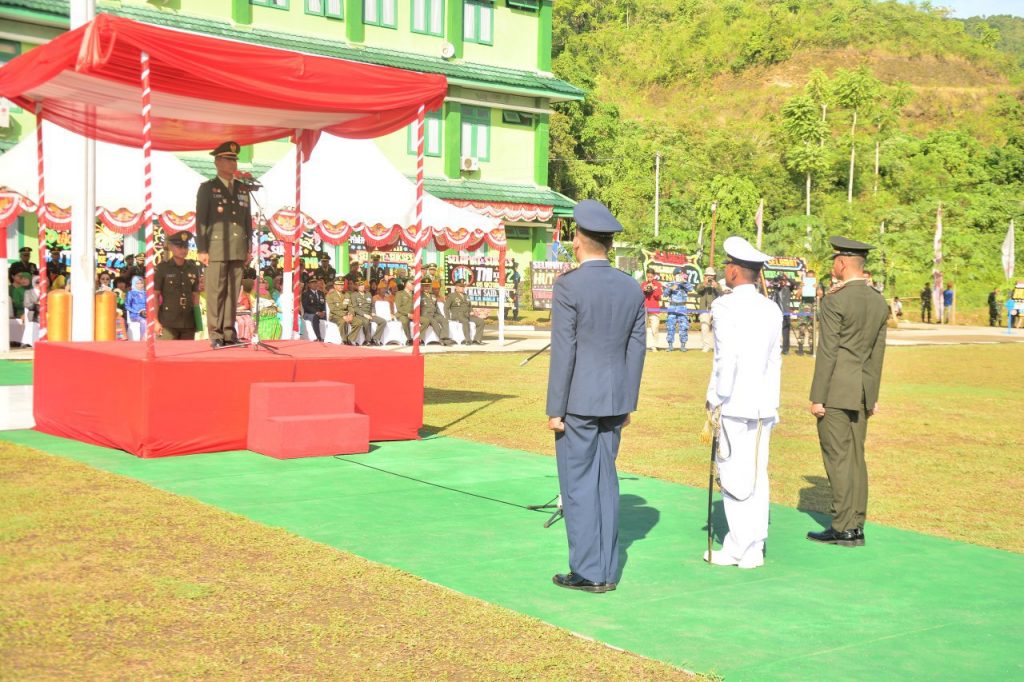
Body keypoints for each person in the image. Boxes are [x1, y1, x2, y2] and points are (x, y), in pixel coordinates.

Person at [546, 199, 646, 593]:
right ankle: (605, 569)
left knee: (578, 484)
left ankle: (588, 571)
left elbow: (564, 350)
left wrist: (555, 408)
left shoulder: (569, 285)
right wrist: (628, 401)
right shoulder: (630, 286)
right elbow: (636, 348)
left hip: (578, 402)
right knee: (606, 482)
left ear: (578, 241)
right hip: (614, 400)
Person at [704, 236, 781, 569]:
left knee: (733, 475)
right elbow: (775, 361)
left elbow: (726, 359)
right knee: (757, 476)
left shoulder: (725, 306)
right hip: (763, 405)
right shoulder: (770, 308)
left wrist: (715, 399)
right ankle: (754, 548)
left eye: (727, 266)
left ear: (734, 271)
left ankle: (738, 546)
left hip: (734, 403)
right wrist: (772, 402)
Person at [808, 237, 889, 547]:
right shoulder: (878, 301)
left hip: (837, 390)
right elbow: (877, 353)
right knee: (856, 457)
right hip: (862, 390)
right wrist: (872, 395)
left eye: (834, 260)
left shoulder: (835, 300)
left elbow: (828, 351)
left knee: (838, 457)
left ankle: (842, 526)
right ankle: (856, 525)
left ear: (841, 263)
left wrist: (818, 396)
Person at [195, 140, 253, 348]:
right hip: (216, 248)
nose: (233, 163)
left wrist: (248, 247)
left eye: (234, 160)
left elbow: (247, 220)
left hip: (238, 246)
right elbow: (201, 220)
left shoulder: (242, 189)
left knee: (232, 292)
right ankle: (216, 334)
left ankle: (229, 332)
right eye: (228, 159)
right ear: (217, 162)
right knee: (216, 291)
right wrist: (202, 248)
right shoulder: (208, 188)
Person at [153, 231, 201, 340]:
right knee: (166, 350)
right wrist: (155, 321)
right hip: (168, 321)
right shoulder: (162, 268)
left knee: (187, 350)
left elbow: (195, 295)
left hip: (188, 321)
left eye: (185, 247)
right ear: (170, 247)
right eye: (179, 247)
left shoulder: (193, 268)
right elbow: (155, 296)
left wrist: (198, 321)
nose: (183, 250)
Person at [342, 278, 385, 346]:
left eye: (362, 285)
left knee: (383, 321)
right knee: (366, 321)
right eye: (360, 286)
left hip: (369, 314)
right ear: (357, 287)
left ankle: (376, 338)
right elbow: (355, 308)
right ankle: (368, 340)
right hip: (360, 315)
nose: (361, 287)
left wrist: (373, 312)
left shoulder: (368, 294)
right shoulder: (354, 295)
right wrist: (364, 315)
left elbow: (372, 305)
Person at [446, 280, 486, 345]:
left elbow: (469, 306)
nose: (462, 288)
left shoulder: (466, 296)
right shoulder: (452, 296)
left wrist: (472, 311)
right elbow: (446, 307)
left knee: (481, 321)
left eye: (463, 287)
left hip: (467, 315)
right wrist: (448, 318)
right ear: (456, 287)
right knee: (465, 321)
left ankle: (477, 339)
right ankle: (468, 340)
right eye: (461, 286)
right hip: (457, 315)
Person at [663, 267, 692, 352]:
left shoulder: (685, 284)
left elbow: (690, 289)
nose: (679, 276)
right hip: (672, 308)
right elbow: (665, 294)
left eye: (680, 274)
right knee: (670, 327)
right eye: (677, 274)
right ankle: (670, 345)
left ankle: (683, 345)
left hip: (682, 308)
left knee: (683, 327)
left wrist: (684, 282)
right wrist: (671, 288)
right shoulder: (670, 284)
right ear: (674, 275)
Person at [419, 276, 455, 346]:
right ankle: (444, 341)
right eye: (425, 286)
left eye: (428, 286)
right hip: (426, 314)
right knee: (434, 322)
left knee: (444, 320)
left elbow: (436, 307)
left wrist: (441, 315)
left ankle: (444, 337)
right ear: (422, 286)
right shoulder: (420, 295)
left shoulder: (432, 295)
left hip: (435, 314)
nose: (426, 287)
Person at [696, 268, 721, 352]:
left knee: (717, 328)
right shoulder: (701, 284)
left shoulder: (717, 284)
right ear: (705, 276)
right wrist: (705, 284)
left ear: (714, 276)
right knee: (704, 328)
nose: (710, 277)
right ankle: (706, 346)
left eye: (712, 275)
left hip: (716, 309)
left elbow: (721, 292)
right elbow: (698, 290)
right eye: (708, 275)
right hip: (704, 309)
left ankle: (717, 346)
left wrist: (716, 286)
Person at [795, 269, 818, 355]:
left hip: (813, 309)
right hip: (803, 309)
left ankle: (812, 349)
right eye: (808, 277)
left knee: (812, 329)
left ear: (814, 277)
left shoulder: (817, 285)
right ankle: (800, 349)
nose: (810, 279)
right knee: (801, 328)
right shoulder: (802, 284)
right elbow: (797, 296)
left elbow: (820, 295)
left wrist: (816, 288)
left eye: (811, 277)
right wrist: (801, 287)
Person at [641, 268, 663, 351]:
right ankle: (642, 346)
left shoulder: (658, 284)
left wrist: (653, 289)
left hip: (654, 310)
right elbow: (640, 296)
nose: (649, 278)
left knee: (655, 329)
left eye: (651, 277)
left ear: (654, 276)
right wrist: (644, 290)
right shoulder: (643, 284)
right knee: (642, 329)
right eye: (648, 277)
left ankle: (655, 346)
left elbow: (658, 296)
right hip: (644, 309)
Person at [301, 277, 327, 342]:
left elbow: (323, 304)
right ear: (309, 285)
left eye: (315, 282)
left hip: (320, 313)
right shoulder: (306, 294)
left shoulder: (321, 293)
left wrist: (323, 311)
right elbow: (306, 306)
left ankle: (327, 337)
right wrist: (316, 312)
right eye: (312, 283)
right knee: (315, 317)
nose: (315, 284)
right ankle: (318, 337)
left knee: (326, 316)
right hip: (309, 313)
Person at [773, 274, 793, 355]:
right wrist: (778, 280)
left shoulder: (788, 289)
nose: (782, 282)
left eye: (783, 280)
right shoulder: (776, 290)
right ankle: (775, 348)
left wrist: (787, 278)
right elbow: (773, 282)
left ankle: (785, 349)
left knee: (785, 332)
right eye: (781, 280)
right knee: (775, 332)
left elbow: (794, 284)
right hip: (777, 314)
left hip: (785, 313)